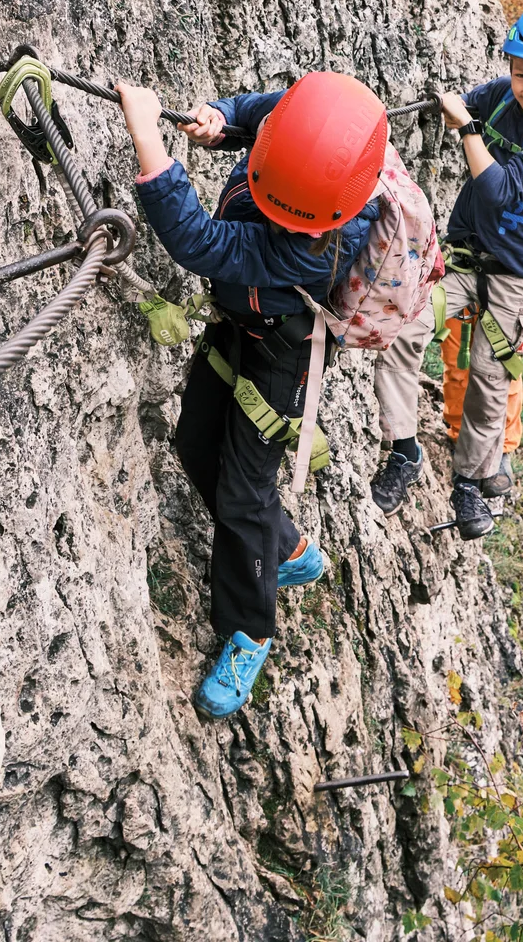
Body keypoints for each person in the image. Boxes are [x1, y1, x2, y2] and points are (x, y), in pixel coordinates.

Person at [116, 72, 387, 717]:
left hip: (283, 354)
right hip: (237, 325)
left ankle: (251, 630)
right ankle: (289, 548)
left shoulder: (321, 242)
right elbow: (259, 111)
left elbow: (202, 243)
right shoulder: (309, 122)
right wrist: (220, 116)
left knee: (244, 494)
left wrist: (146, 135)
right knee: (193, 443)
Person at [370, 3, 523, 538]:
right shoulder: (498, 98)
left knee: (489, 379)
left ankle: (471, 483)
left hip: (517, 275)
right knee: (401, 333)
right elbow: (457, 106)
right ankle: (404, 451)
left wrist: (468, 127)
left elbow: (497, 193)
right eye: (521, 73)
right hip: (462, 256)